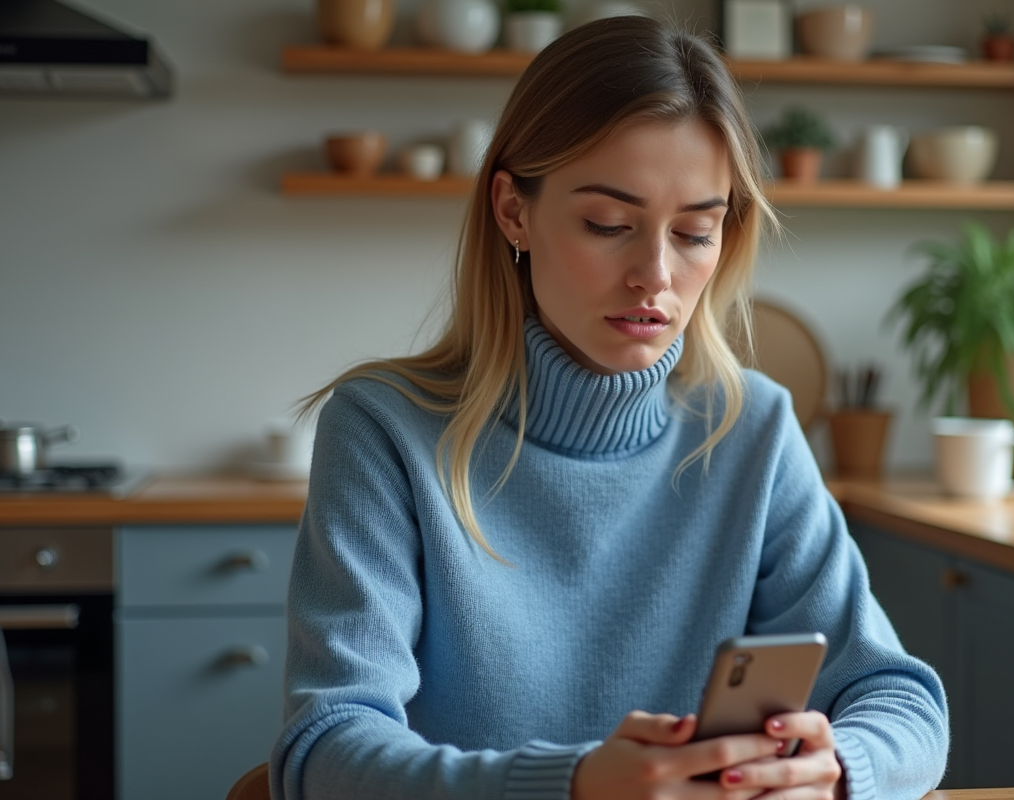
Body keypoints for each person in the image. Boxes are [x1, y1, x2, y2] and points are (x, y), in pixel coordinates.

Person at [270, 15, 948, 800]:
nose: (654, 275)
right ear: (512, 210)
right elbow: (324, 751)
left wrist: (833, 772)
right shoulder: (384, 429)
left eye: (696, 232)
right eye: (609, 225)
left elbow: (903, 702)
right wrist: (575, 786)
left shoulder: (752, 428)